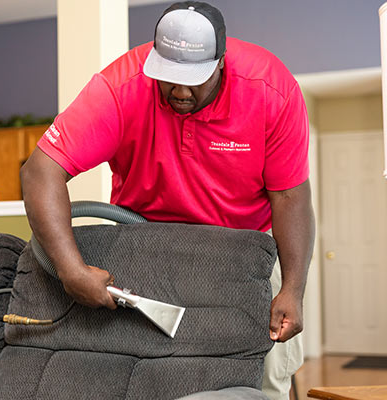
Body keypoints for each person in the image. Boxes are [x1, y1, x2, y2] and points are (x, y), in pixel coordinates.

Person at [19, 2, 315, 399]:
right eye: (167, 77)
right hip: (146, 246)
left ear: (220, 63)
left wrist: (292, 289)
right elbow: (40, 170)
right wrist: (71, 270)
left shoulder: (270, 89)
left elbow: (291, 197)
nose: (178, 91)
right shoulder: (122, 85)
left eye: (192, 80)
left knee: (266, 378)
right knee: (145, 375)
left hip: (243, 255)